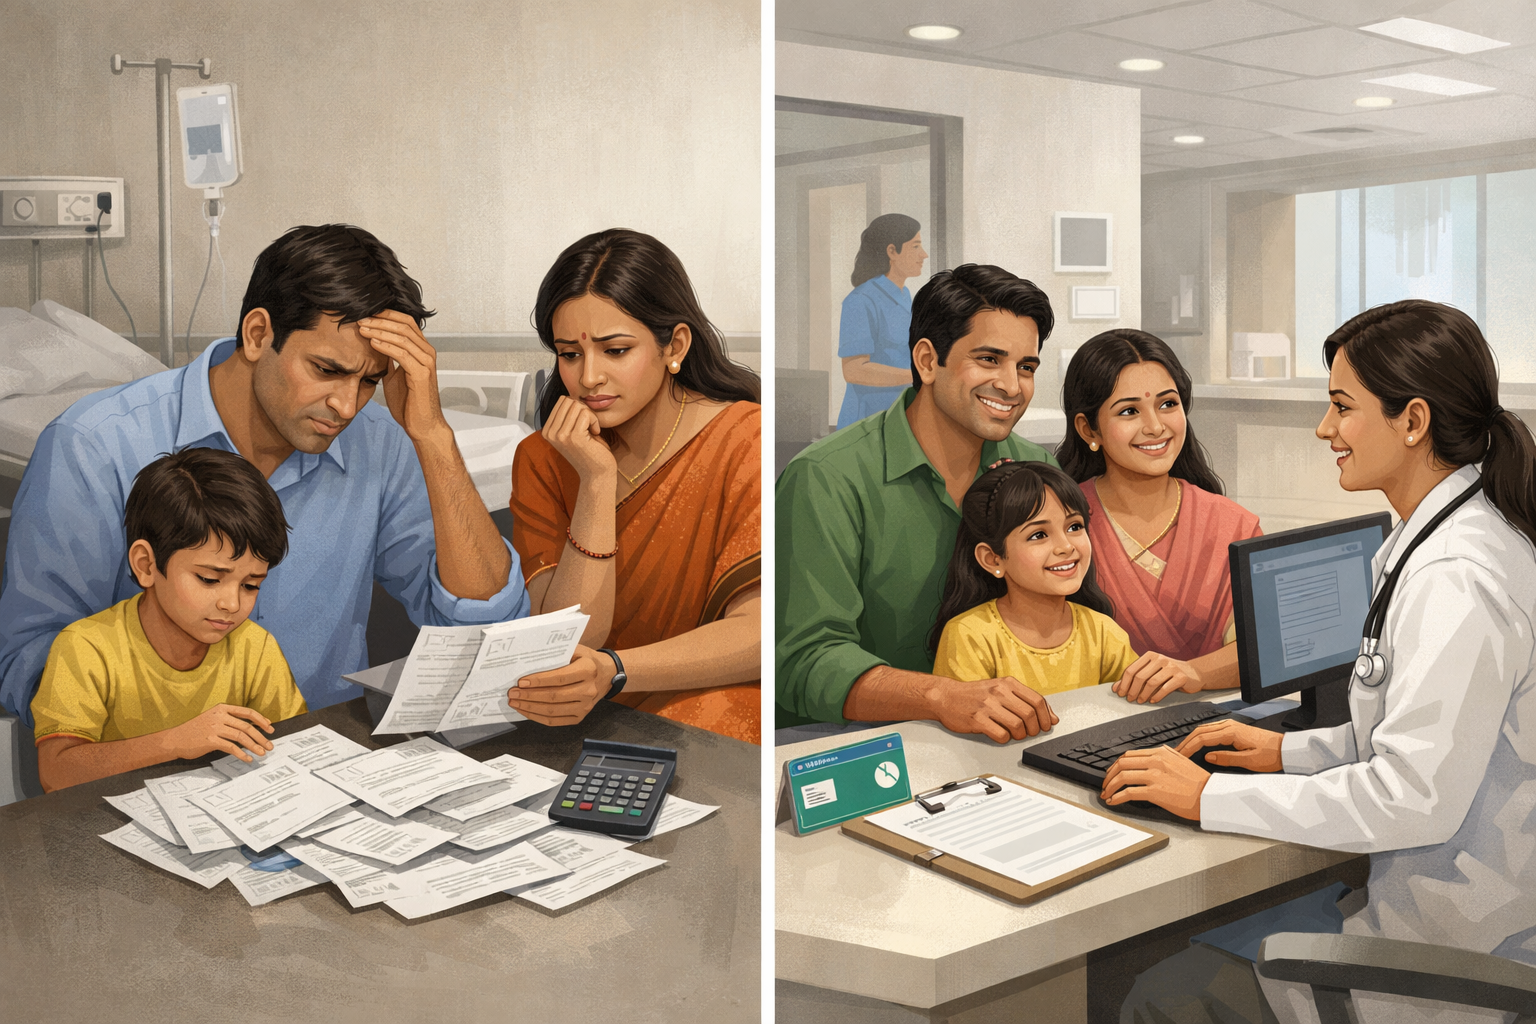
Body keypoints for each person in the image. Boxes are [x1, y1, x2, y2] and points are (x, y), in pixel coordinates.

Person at [1106, 300, 1536, 1024]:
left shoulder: (1457, 578)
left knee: (1160, 991)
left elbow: (1409, 796)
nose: (1324, 429)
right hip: (1456, 906)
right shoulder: (1448, 538)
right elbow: (1425, 739)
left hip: (1456, 960)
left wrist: (1207, 797)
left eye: (1341, 407)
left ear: (1413, 421)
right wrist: (1284, 750)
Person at [0, 224, 530, 726]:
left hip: (317, 769)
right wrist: (180, 725)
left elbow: (485, 631)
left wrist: (433, 437)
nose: (347, 405)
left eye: (369, 380)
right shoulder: (95, 447)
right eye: (327, 370)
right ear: (258, 334)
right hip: (143, 770)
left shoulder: (379, 442)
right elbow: (28, 665)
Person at [777, 263, 1062, 743]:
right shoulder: (825, 477)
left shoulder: (1038, 471)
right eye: (989, 359)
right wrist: (942, 698)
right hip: (849, 749)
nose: (1013, 387)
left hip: (1003, 742)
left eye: (1026, 367)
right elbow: (806, 658)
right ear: (928, 361)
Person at [506, 229, 761, 743]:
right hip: (573, 714)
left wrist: (617, 671)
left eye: (615, 350)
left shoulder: (743, 437)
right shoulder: (542, 459)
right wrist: (596, 483)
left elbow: (758, 633)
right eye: (569, 354)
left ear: (676, 345)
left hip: (710, 704)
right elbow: (565, 642)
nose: (589, 376)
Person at [32, 448, 306, 792]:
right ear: (146, 565)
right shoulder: (87, 648)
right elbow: (55, 773)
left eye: (251, 585)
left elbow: (295, 747)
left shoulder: (256, 648)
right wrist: (174, 742)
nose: (232, 603)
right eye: (209, 579)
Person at [1058, 329, 1260, 704]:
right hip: (1091, 728)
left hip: (1221, 721)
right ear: (1089, 429)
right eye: (1130, 411)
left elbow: (1267, 647)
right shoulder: (1060, 524)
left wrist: (1195, 672)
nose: (1155, 426)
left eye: (1168, 404)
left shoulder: (1234, 525)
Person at [930, 460, 1137, 696]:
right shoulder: (969, 635)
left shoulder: (1103, 632)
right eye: (1039, 534)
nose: (1066, 546)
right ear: (993, 559)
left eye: (1074, 527)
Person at [835, 213, 928, 428]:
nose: (923, 255)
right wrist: (917, 376)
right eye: (915, 246)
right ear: (892, 251)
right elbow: (854, 370)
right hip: (868, 422)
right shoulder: (860, 301)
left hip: (899, 413)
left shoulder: (905, 296)